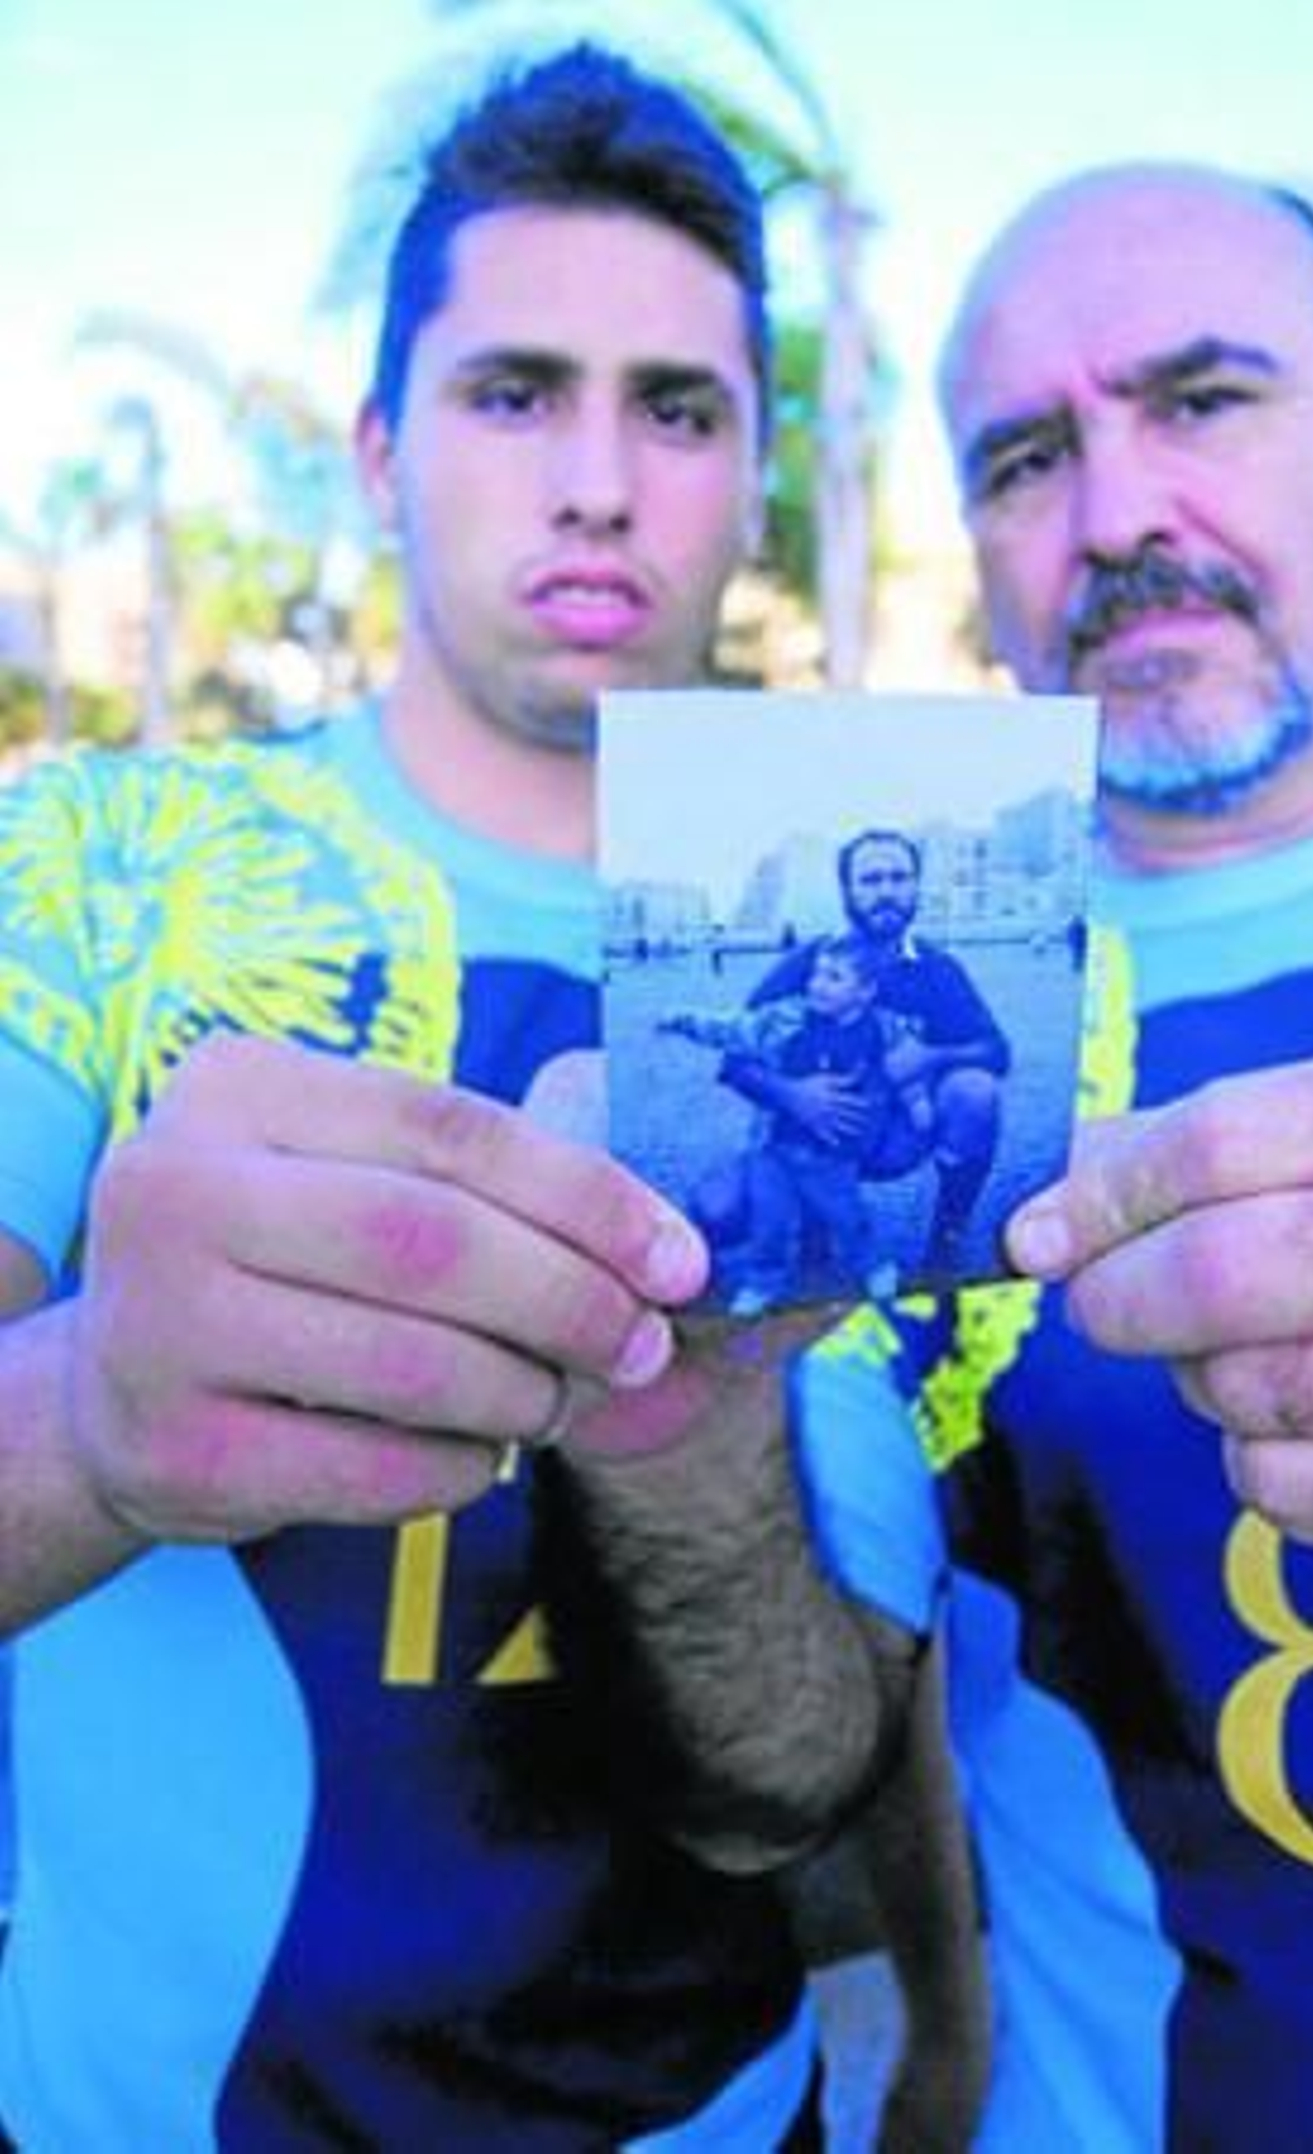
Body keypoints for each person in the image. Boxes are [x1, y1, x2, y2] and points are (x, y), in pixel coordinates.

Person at [0, 46, 899, 2148]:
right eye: (515, 392)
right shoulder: (99, 871)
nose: (598, 481)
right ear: (381, 448)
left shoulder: (827, 940)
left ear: (751, 474)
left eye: (675, 410)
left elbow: (797, 1777)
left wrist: (699, 1461)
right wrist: (96, 1415)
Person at [792, 163, 1313, 2150]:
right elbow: (812, 1741)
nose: (1116, 514)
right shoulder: (900, 1025)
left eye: (1201, 400)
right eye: (1021, 458)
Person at [712, 828, 1012, 1275]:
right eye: (871, 880)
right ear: (847, 890)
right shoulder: (811, 963)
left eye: (899, 877)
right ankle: (812, 1225)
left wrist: (930, 1058)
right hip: (811, 1138)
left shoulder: (938, 969)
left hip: (899, 1136)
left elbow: (997, 1051)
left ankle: (946, 1239)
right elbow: (734, 1062)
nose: (886, 891)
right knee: (720, 1213)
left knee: (976, 1093)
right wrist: (796, 1096)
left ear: (916, 885)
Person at [659, 933, 921, 1313]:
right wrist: (680, 1020)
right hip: (775, 1149)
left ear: (865, 992)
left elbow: (908, 1063)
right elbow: (732, 1029)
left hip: (833, 1152)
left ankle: (874, 1266)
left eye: (833, 977)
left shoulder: (884, 1028)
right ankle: (763, 1282)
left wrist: (919, 1101)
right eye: (815, 975)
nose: (817, 984)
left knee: (848, 1216)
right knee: (770, 1223)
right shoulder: (785, 1018)